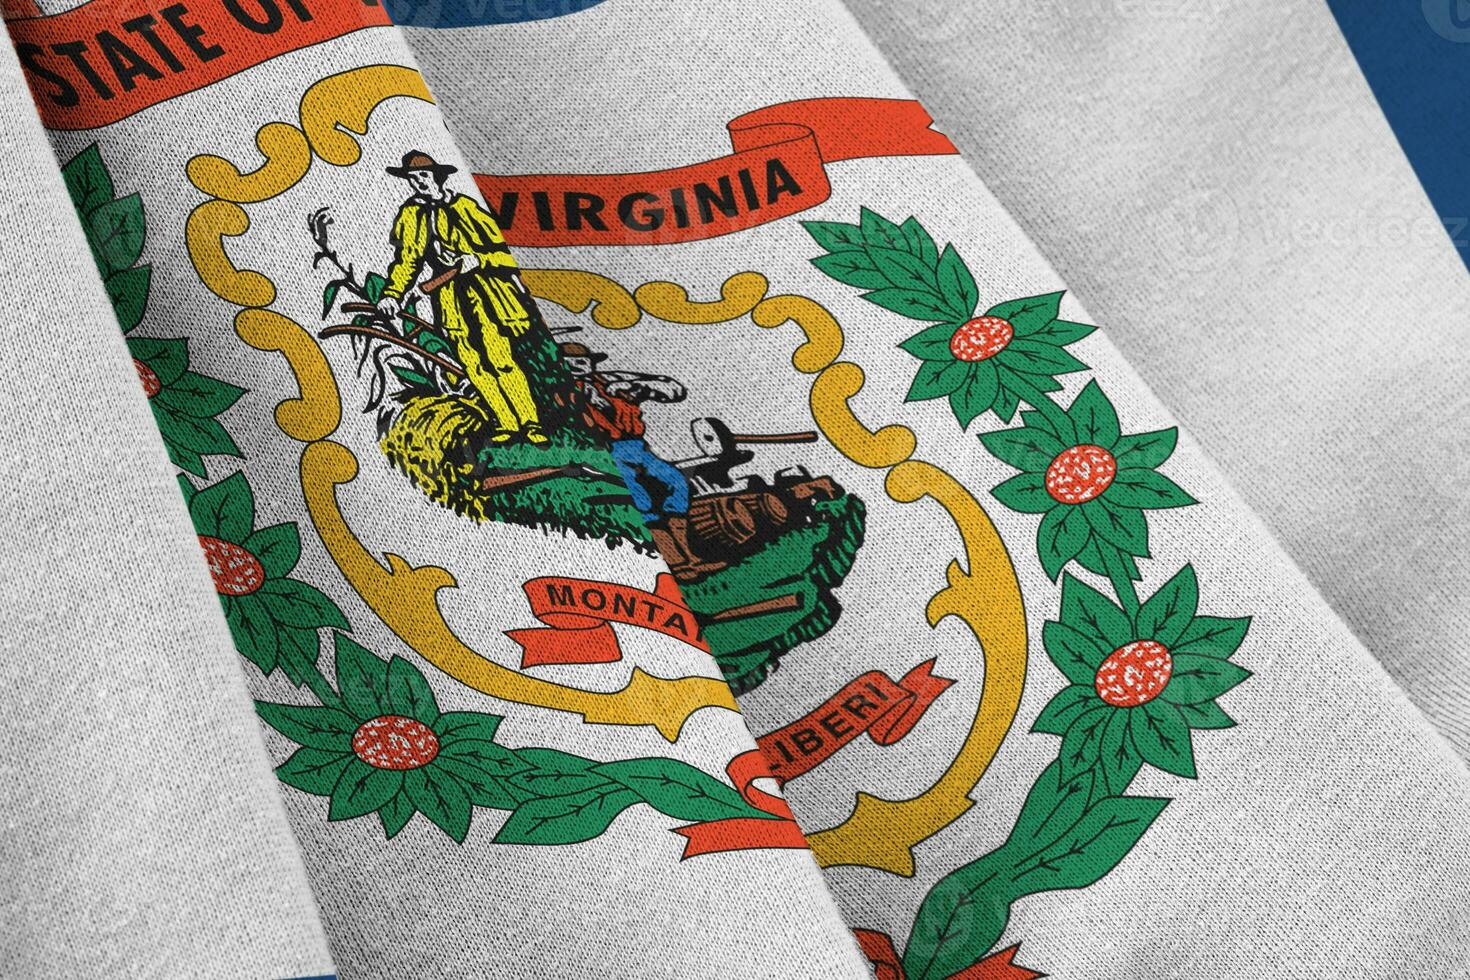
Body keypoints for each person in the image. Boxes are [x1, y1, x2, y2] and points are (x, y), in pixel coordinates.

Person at [375, 150, 547, 446]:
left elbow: (504, 254)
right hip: (449, 299)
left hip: (485, 293)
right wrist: (392, 294)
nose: (419, 183)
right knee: (473, 362)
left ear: (437, 178)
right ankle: (506, 424)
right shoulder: (411, 215)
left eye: (424, 177)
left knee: (500, 357)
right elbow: (407, 262)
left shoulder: (465, 206)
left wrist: (478, 260)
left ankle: (531, 423)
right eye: (413, 179)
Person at [559, 341, 690, 522]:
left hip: (637, 446)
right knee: (634, 491)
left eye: (581, 363)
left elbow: (673, 389)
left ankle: (677, 517)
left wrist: (634, 386)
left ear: (591, 363)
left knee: (675, 479)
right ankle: (651, 523)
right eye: (568, 364)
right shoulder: (561, 390)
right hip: (607, 450)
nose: (576, 369)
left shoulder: (613, 380)